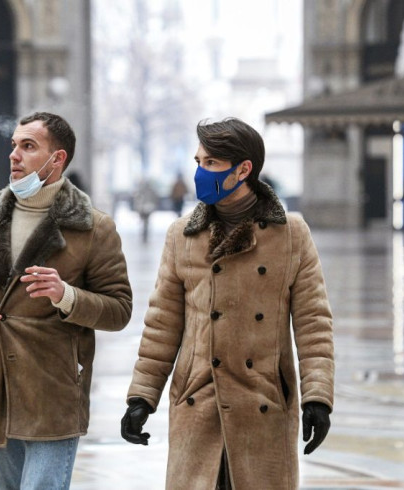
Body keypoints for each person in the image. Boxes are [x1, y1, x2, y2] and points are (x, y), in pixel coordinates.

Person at [121, 117, 334, 490]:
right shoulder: (181, 236)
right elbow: (162, 322)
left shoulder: (291, 235)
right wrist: (142, 395)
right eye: (198, 162)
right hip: (196, 400)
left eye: (211, 164)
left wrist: (317, 397)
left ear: (244, 170)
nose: (200, 173)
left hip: (263, 400)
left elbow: (313, 322)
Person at [0, 112, 133, 489]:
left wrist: (67, 296)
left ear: (57, 159)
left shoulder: (93, 227)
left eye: (28, 146)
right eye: (13, 145)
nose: (14, 155)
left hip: (54, 390)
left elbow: (119, 309)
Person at [132, 178, 160, 243]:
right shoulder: (151, 190)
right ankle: (145, 229)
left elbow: (137, 198)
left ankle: (145, 229)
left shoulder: (141, 190)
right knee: (146, 219)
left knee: (144, 219)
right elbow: (155, 199)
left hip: (143, 207)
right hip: (148, 207)